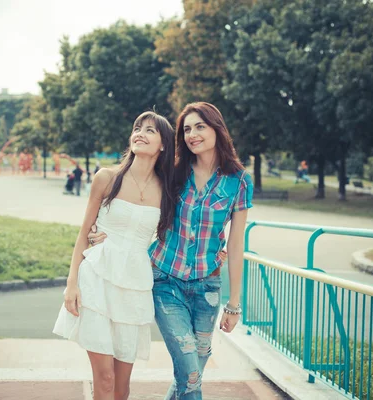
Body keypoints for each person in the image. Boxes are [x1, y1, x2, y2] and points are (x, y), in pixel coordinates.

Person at [88, 102, 253, 399]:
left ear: (217, 129)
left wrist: (234, 303)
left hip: (208, 288)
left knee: (191, 374)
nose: (192, 134)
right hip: (166, 281)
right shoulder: (174, 174)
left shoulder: (239, 181)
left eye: (200, 126)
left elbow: (236, 242)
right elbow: (138, 204)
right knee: (190, 372)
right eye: (187, 129)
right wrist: (106, 234)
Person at [53, 111, 176, 400]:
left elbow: (175, 237)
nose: (140, 133)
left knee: (122, 387)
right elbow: (84, 233)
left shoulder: (168, 191)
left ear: (163, 144)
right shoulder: (107, 178)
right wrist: (72, 284)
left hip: (134, 284)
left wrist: (217, 251)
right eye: (137, 128)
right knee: (105, 379)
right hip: (97, 278)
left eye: (150, 130)